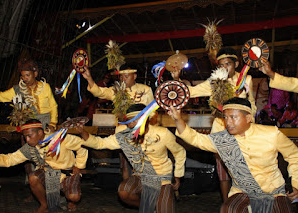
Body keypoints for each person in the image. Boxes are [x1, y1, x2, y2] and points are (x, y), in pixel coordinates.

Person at [168, 97, 298, 212]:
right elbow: (196, 139)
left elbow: (294, 155)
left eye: (233, 117)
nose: (228, 122)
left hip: (273, 191)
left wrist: (295, 184)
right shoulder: (223, 140)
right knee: (228, 209)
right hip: (242, 191)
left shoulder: (271, 134)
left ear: (248, 118)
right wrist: (178, 119)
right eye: (225, 117)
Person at [77, 104, 186, 213]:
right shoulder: (124, 135)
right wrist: (82, 132)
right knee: (124, 191)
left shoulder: (162, 133)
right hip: (140, 176)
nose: (132, 123)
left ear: (146, 119)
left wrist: (178, 175)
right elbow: (100, 143)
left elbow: (179, 152)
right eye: (130, 120)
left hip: (162, 178)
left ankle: (159, 203)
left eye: (136, 120)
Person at [185, 47, 257, 201]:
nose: (224, 68)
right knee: (223, 172)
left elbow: (252, 104)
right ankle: (226, 204)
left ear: (236, 63)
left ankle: (245, 202)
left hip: (242, 133)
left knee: (243, 170)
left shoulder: (246, 79)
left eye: (228, 64)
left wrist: (252, 124)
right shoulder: (214, 82)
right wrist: (177, 83)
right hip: (220, 131)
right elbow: (192, 91)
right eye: (220, 65)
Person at [0, 119, 88, 213]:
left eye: (30, 136)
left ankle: (69, 199)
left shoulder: (59, 138)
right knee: (33, 177)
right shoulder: (29, 148)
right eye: (25, 137)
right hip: (49, 173)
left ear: (40, 133)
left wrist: (79, 165)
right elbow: (9, 159)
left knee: (74, 197)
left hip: (68, 172)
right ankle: (44, 205)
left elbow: (82, 145)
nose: (27, 140)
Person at [0, 58, 58, 131]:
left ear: (35, 74)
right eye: (23, 76)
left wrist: (53, 123)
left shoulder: (45, 87)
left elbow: (53, 106)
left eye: (27, 75)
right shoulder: (18, 89)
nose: (25, 78)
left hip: (46, 122)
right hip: (29, 126)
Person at [82, 66, 154, 107]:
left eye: (126, 76)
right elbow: (99, 92)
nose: (123, 79)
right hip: (121, 128)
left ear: (134, 76)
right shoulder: (116, 90)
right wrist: (89, 78)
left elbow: (152, 110)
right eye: (121, 77)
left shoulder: (145, 89)